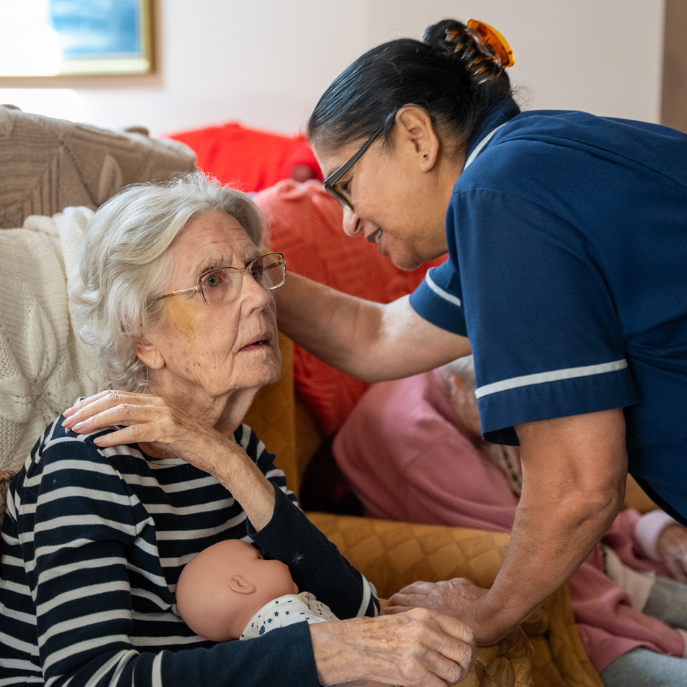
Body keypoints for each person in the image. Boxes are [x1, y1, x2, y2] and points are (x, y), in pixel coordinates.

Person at [272, 18, 687, 645]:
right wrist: (256, 269)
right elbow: (379, 336)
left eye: (347, 186)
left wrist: (488, 613)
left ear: (415, 136)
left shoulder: (502, 198)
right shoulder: (523, 168)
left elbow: (580, 482)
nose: (350, 223)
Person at [0, 173, 475, 687]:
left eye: (255, 270)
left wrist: (227, 462)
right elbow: (85, 680)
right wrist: (320, 655)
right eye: (212, 281)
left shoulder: (243, 452)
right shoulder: (88, 457)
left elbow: (358, 611)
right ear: (143, 339)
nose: (259, 297)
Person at [333, 357, 687, 684]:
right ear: (455, 385)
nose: (514, 423)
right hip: (573, 593)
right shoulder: (426, 441)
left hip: (596, 566)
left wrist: (648, 530)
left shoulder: (473, 381)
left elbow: (569, 500)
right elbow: (538, 551)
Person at [176, 539, 388, 687]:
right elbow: (337, 650)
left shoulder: (254, 648)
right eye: (260, 558)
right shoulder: (283, 612)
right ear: (241, 584)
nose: (278, 560)